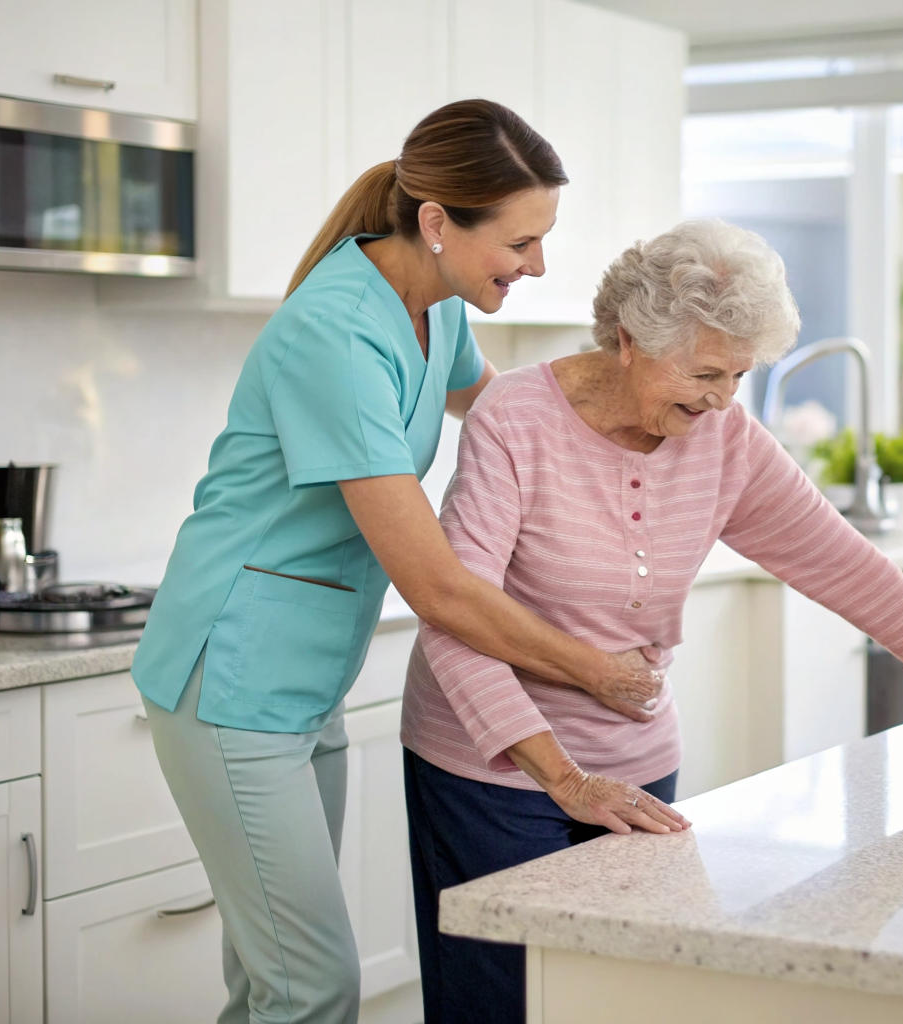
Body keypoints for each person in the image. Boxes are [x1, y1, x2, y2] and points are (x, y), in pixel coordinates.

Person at [400, 219, 903, 1024]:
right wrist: (564, 779)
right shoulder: (514, 418)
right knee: (498, 1001)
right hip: (490, 774)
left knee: (633, 1000)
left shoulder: (721, 435)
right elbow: (453, 613)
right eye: (704, 372)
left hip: (632, 762)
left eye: (737, 374)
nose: (721, 398)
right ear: (627, 339)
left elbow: (842, 562)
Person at [132, 100, 668, 1024]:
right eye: (520, 241)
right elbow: (435, 585)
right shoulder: (337, 332)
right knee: (312, 989)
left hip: (307, 678)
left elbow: (520, 432)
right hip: (231, 678)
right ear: (435, 224)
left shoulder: (435, 311)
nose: (536, 265)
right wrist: (592, 670)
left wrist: (648, 416)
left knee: (268, 985)